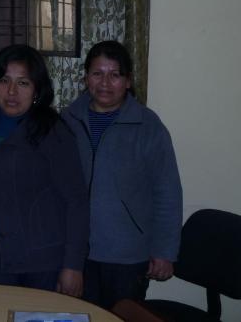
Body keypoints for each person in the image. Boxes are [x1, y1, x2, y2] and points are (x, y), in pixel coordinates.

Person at [0, 44, 89, 294]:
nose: (12, 91)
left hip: (44, 261)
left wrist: (73, 265)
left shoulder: (53, 131)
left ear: (37, 89)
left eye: (23, 83)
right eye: (4, 80)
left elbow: (76, 201)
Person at [61, 40, 182, 310]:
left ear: (127, 81)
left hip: (128, 256)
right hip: (77, 253)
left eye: (114, 75)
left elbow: (168, 193)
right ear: (86, 78)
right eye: (97, 73)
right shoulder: (68, 121)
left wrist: (164, 251)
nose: (105, 83)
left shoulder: (148, 126)